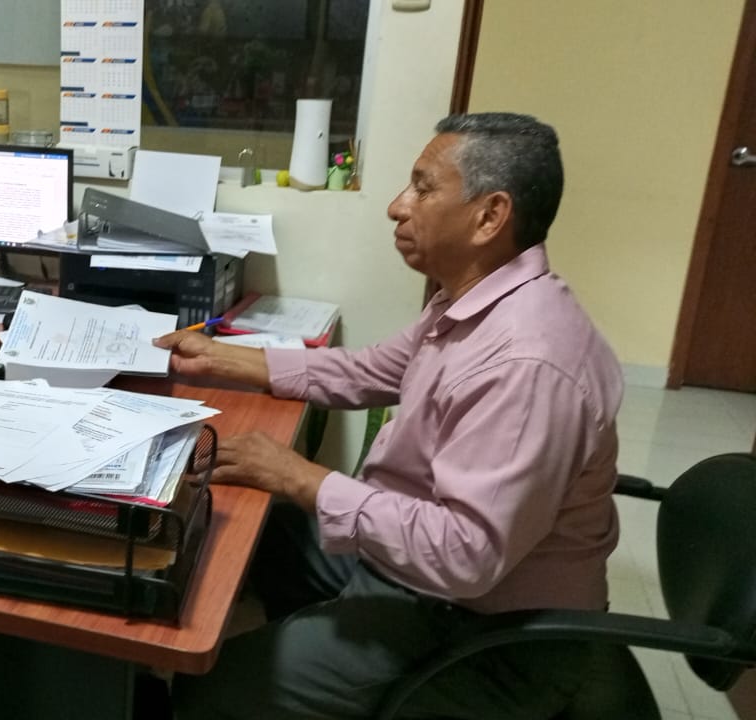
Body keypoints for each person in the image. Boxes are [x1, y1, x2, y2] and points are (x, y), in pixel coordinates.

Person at [159, 113, 623, 719]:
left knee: (206, 688)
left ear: (490, 216)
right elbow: (372, 369)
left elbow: (465, 555)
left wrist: (299, 475)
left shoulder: (526, 364)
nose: (397, 207)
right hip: (418, 569)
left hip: (482, 630)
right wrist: (223, 358)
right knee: (253, 529)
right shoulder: (473, 300)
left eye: (423, 188)